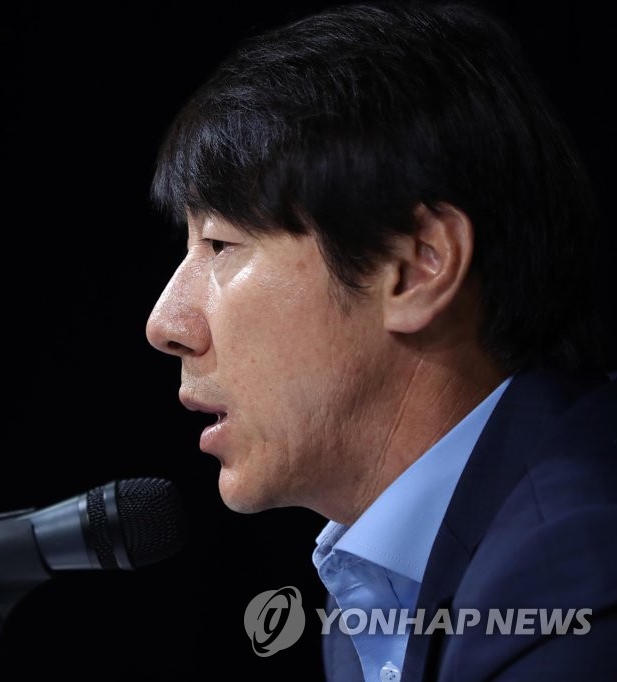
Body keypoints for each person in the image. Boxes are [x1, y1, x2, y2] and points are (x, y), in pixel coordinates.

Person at [144, 2, 617, 680]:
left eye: (221, 244)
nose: (166, 324)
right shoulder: (373, 585)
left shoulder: (575, 577)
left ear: (417, 267)